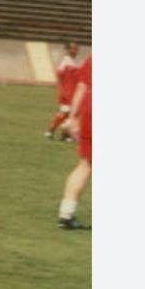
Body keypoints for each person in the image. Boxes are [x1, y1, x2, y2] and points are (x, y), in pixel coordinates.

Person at [57, 52, 92, 229]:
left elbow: (82, 86)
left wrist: (72, 116)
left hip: (90, 110)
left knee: (85, 164)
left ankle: (66, 213)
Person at [46, 42, 79, 140]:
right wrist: (63, 90)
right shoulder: (65, 62)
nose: (75, 51)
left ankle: (65, 135)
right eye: (73, 49)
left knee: (71, 114)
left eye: (76, 49)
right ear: (68, 50)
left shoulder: (74, 62)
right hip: (67, 93)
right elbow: (59, 76)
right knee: (64, 114)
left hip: (73, 93)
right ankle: (50, 131)